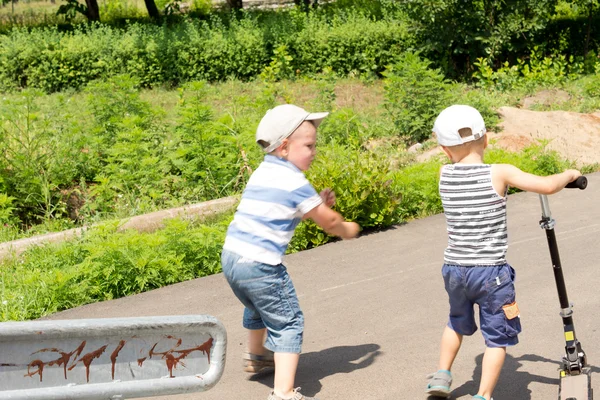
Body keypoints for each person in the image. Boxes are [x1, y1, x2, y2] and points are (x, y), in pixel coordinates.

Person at [425, 105, 581, 400]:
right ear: (486, 140)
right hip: (490, 274)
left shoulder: (444, 174)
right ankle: (482, 396)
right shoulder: (500, 172)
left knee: (455, 322)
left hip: (454, 269)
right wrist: (570, 173)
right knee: (497, 339)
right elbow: (546, 186)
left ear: (445, 150)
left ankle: (441, 376)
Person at [221, 104, 360, 400]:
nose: (314, 151)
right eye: (309, 145)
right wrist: (346, 227)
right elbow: (329, 222)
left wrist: (317, 201)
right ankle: (283, 392)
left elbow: (284, 208)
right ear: (284, 147)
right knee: (288, 321)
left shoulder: (264, 171)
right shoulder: (295, 182)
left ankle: (257, 356)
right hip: (261, 265)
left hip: (233, 258)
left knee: (258, 306)